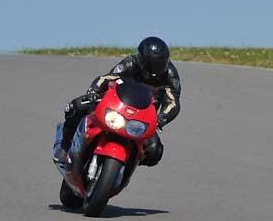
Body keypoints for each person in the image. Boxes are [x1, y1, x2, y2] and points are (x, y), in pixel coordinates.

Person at [53, 36, 181, 167]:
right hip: (117, 106)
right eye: (150, 64)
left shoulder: (170, 75)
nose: (155, 70)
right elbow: (107, 78)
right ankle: (65, 146)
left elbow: (173, 102)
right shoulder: (130, 63)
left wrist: (160, 120)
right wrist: (92, 93)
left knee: (154, 151)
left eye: (160, 64)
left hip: (143, 117)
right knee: (76, 106)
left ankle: (126, 165)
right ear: (141, 59)